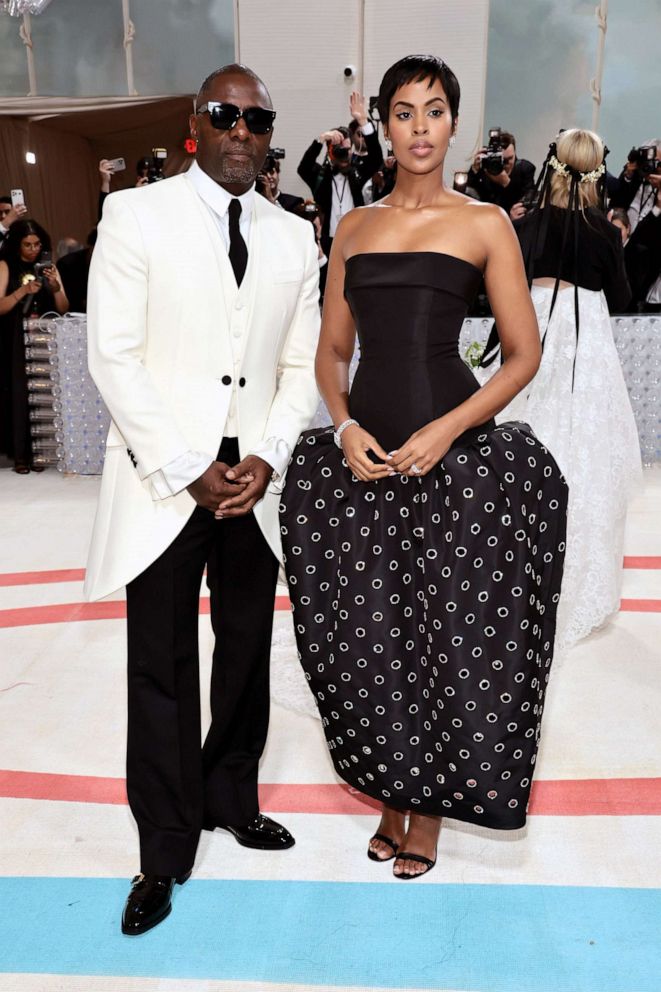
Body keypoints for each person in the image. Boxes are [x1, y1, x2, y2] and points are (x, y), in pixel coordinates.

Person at [280, 55, 567, 879]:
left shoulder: (483, 222)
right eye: (401, 112)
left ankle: (430, 807)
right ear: (381, 122)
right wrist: (340, 428)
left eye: (433, 111)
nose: (417, 128)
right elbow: (333, 353)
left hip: (456, 460)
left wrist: (447, 430)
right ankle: (392, 792)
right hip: (365, 461)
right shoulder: (354, 228)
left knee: (446, 634)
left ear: (453, 123)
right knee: (371, 634)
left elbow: (522, 356)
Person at [84, 62, 320, 935]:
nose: (240, 131)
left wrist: (264, 454)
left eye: (257, 121)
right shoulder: (134, 213)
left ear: (267, 139)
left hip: (253, 484)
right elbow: (113, 355)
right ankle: (163, 849)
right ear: (197, 121)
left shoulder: (296, 235)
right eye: (225, 114)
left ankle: (231, 796)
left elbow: (301, 367)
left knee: (247, 653)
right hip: (164, 480)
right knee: (161, 666)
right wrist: (186, 465)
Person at [492, 129, 641, 646]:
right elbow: (621, 296)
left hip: (530, 329)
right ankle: (574, 567)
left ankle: (512, 570)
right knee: (584, 448)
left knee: (522, 436)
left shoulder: (525, 224)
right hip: (587, 340)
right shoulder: (603, 232)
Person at [0, 219, 68, 473]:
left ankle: (43, 452)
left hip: (44, 334)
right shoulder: (6, 265)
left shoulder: (49, 266)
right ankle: (21, 455)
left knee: (45, 392)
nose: (34, 249)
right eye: (28, 245)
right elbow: (1, 306)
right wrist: (23, 291)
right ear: (17, 245)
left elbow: (63, 308)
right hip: (16, 337)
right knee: (20, 394)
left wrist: (56, 287)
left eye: (38, 244)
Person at [297, 94, 383, 263]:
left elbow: (376, 158)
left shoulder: (358, 171)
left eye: (347, 148)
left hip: (357, 240)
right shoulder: (321, 176)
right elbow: (303, 168)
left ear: (352, 149)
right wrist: (321, 139)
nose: (344, 154)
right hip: (327, 243)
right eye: (339, 150)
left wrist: (364, 122)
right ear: (330, 151)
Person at [468, 131, 535, 219]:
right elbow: (468, 195)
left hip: (515, 226)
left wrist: (507, 183)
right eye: (502, 159)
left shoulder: (525, 169)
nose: (506, 164)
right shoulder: (485, 169)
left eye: (510, 158)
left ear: (515, 153)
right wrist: (474, 170)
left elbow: (526, 203)